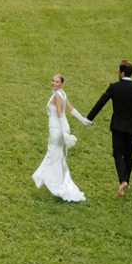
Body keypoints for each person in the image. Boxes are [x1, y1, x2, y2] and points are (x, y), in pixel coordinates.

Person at [86, 59, 132, 197]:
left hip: (117, 126)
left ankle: (122, 180)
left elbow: (101, 102)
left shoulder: (114, 87)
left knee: (117, 154)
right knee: (128, 154)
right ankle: (127, 180)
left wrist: (89, 118)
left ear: (122, 73)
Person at [32, 73, 91, 203]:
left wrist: (64, 131)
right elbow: (71, 109)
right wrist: (83, 120)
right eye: (53, 81)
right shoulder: (62, 94)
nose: (53, 83)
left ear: (61, 84)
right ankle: (55, 180)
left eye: (57, 82)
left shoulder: (58, 96)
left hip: (56, 130)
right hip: (60, 129)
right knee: (57, 156)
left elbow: (60, 114)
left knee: (52, 154)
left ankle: (44, 178)